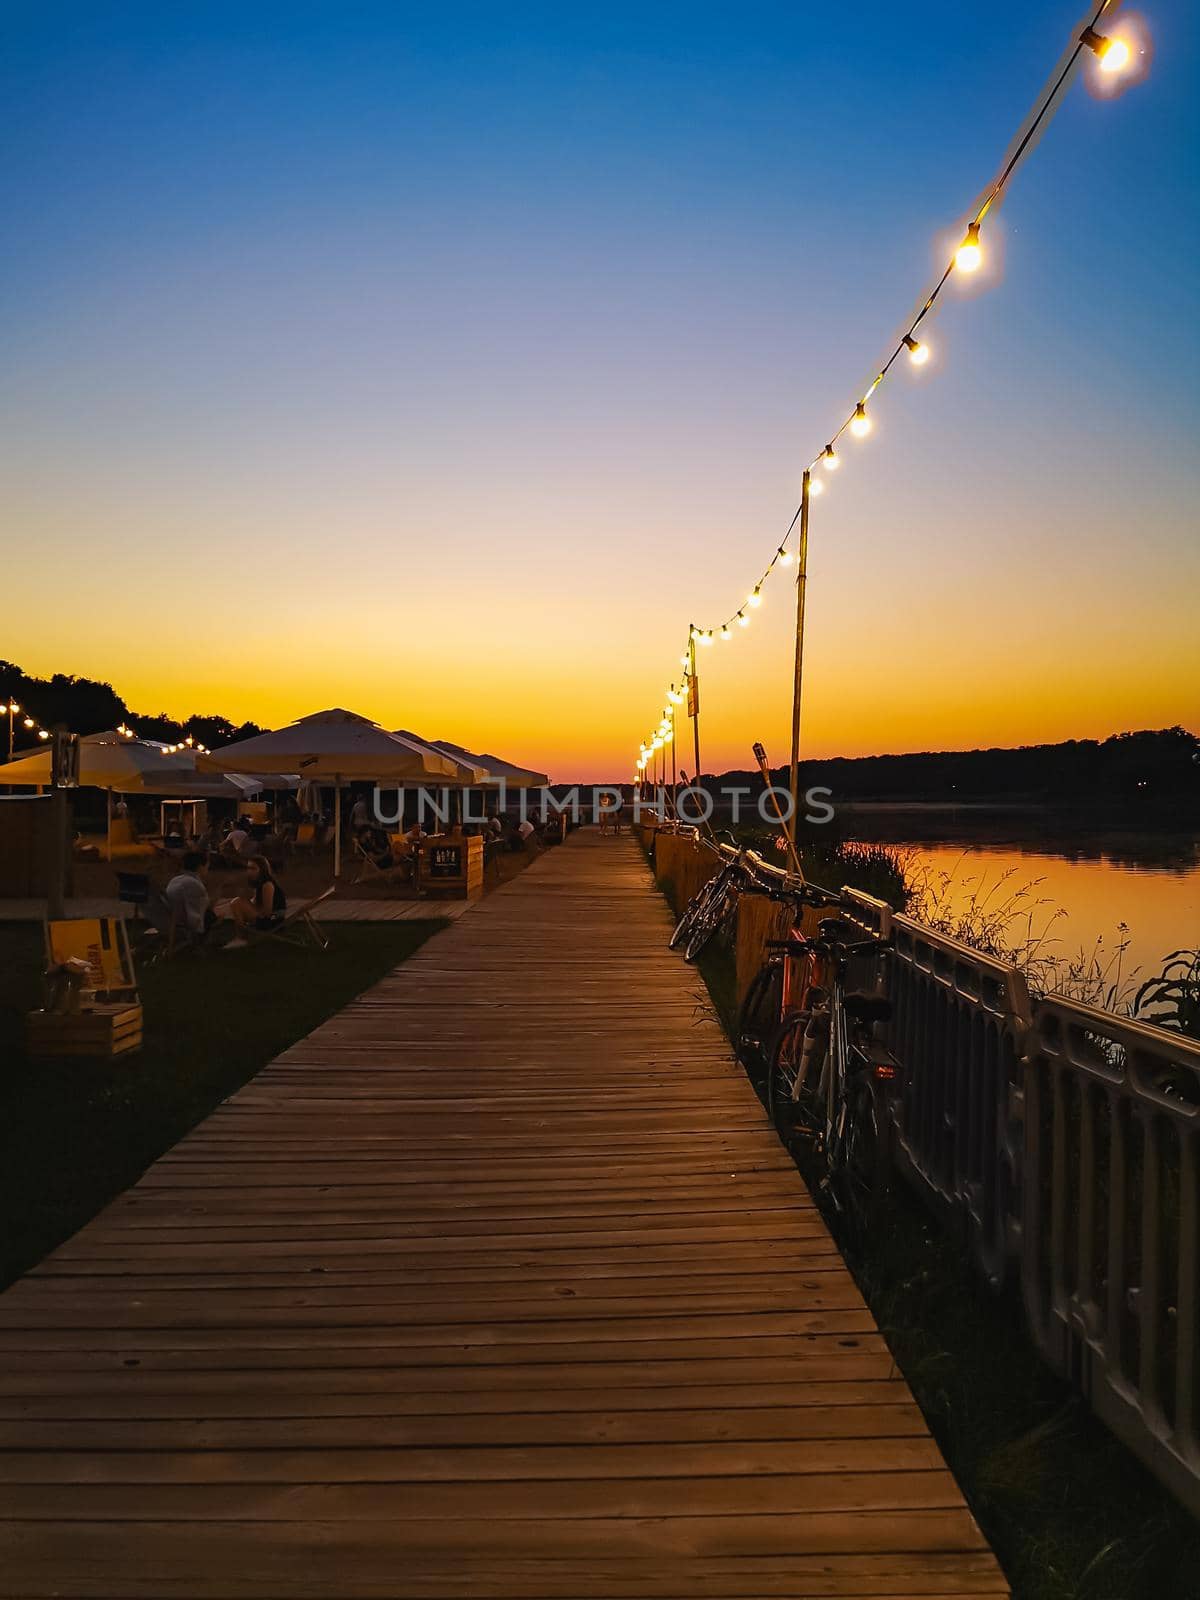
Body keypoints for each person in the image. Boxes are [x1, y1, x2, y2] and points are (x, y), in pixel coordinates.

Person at [224, 858, 288, 948]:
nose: (249, 871)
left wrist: (251, 912)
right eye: (248, 868)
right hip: (271, 917)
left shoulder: (267, 885)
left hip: (274, 919)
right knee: (238, 902)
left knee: (236, 903)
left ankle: (241, 938)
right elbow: (255, 903)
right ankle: (240, 937)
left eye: (253, 868)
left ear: (262, 870)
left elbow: (267, 912)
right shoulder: (260, 884)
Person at [165, 851, 215, 940]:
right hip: (185, 921)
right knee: (212, 915)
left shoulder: (175, 880)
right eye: (207, 866)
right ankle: (200, 941)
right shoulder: (194, 884)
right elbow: (204, 907)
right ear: (200, 867)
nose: (208, 869)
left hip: (172, 915)